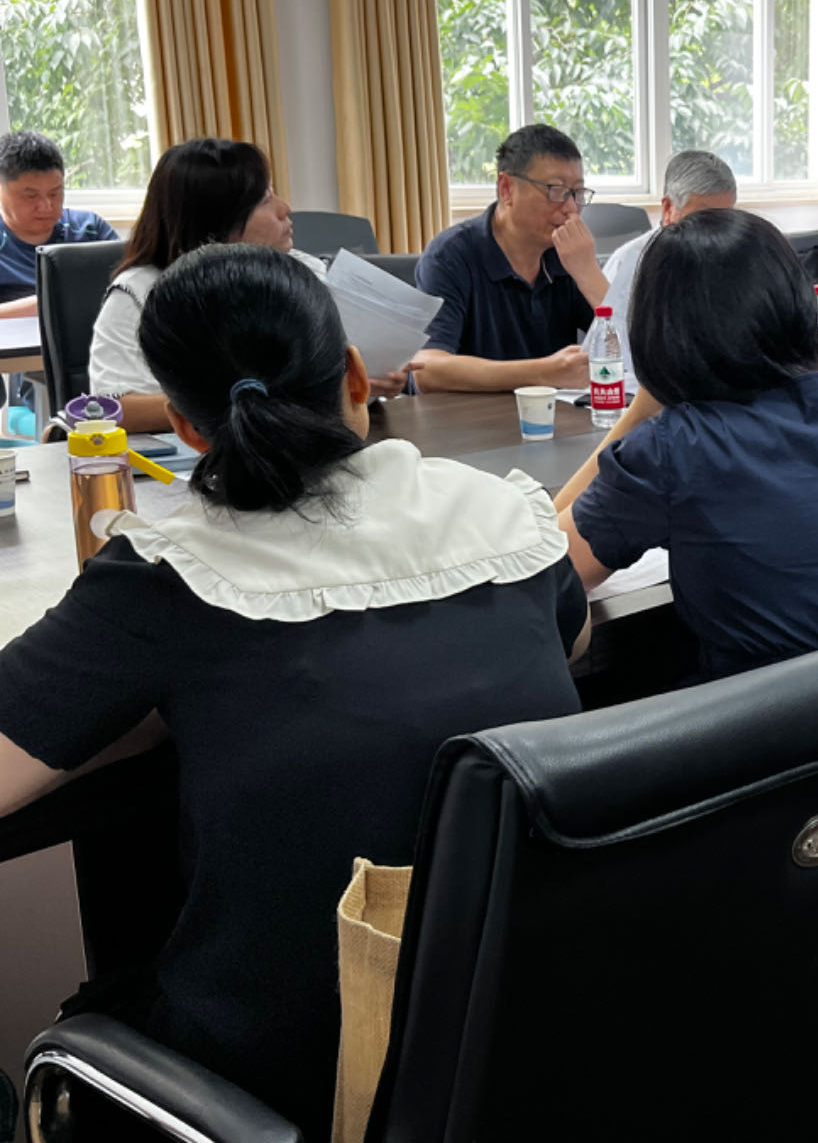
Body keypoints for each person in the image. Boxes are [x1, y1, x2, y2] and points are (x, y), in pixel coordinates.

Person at [0, 244, 590, 1136]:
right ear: (353, 375)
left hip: (289, 1079)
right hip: (519, 1038)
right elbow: (571, 635)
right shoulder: (502, 517)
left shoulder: (168, 577)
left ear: (187, 428)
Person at [555, 208, 818, 682]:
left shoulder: (676, 450)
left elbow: (548, 566)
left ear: (658, 329)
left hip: (772, 725)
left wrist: (641, 410)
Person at [88, 138, 413, 431]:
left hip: (307, 448)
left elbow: (337, 369)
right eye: (265, 199)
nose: (285, 209)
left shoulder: (303, 271)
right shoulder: (139, 293)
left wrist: (368, 381)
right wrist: (250, 401)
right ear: (215, 219)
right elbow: (114, 410)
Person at [413, 124, 609, 392]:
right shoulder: (450, 255)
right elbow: (427, 369)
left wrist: (588, 272)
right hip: (471, 415)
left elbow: (638, 348)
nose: (571, 208)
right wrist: (544, 372)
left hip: (555, 413)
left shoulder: (567, 253)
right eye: (555, 190)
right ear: (506, 189)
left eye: (577, 193)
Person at [599, 150, 737, 383]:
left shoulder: (737, 257)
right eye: (704, 217)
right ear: (668, 208)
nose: (716, 230)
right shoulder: (631, 261)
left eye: (725, 218)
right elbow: (610, 350)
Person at [0, 130, 118, 320]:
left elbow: (132, 288)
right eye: (31, 196)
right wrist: (48, 304)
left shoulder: (90, 230)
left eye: (55, 193)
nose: (46, 206)